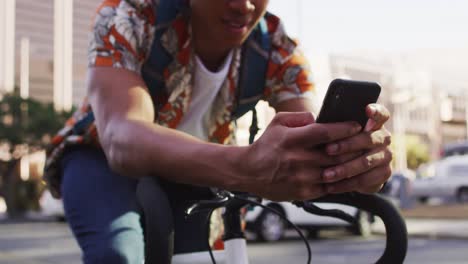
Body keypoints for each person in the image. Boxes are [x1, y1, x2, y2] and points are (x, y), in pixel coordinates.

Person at [44, 0, 393, 263]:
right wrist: (245, 167)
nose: (243, 5)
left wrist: (350, 161)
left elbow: (308, 134)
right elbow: (123, 138)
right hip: (100, 161)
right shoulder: (130, 15)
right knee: (117, 254)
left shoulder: (275, 43)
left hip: (207, 171)